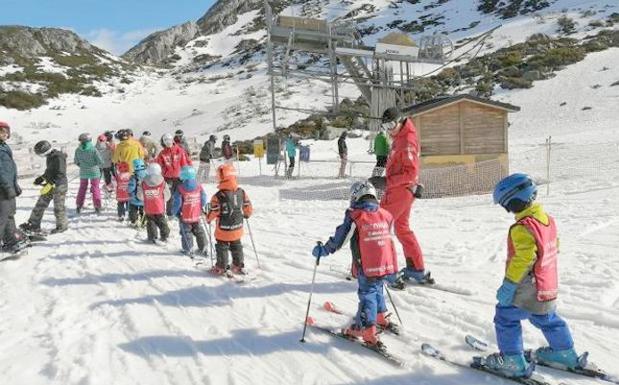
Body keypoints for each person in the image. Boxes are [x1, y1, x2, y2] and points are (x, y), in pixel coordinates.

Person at [481, 173, 585, 378]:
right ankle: (564, 353)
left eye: (507, 206)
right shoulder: (547, 220)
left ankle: (512, 360)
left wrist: (509, 284)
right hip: (548, 283)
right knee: (547, 318)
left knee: (505, 317)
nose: (508, 210)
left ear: (515, 201)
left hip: (526, 286)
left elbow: (524, 259)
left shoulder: (523, 227)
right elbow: (555, 246)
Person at [312, 181, 399, 348]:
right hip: (385, 262)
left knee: (368, 293)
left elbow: (340, 238)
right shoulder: (385, 214)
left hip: (368, 264)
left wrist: (324, 250)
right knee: (377, 287)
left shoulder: (356, 215)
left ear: (355, 197)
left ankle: (365, 329)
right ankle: (380, 316)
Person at [378, 107, 428, 287]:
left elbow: (410, 173)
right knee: (402, 228)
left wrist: (386, 182)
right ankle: (416, 267)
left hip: (399, 190)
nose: (389, 129)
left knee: (379, 227)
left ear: (400, 120)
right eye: (386, 126)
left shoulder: (406, 141)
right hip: (404, 190)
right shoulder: (400, 136)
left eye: (392, 124)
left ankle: (386, 271)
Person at [206, 164, 252, 275]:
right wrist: (247, 213)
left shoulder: (218, 195)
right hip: (237, 226)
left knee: (222, 246)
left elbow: (214, 210)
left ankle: (221, 267)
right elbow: (247, 205)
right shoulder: (241, 192)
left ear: (221, 177)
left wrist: (208, 218)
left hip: (223, 228)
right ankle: (238, 264)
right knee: (236, 245)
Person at [19, 140, 68, 234]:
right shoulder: (50, 156)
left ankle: (62, 226)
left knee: (58, 207)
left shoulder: (58, 157)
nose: (39, 155)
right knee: (40, 204)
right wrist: (42, 178)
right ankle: (33, 224)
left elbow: (61, 172)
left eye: (39, 153)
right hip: (50, 185)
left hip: (59, 185)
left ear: (44, 150)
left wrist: (53, 183)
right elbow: (49, 171)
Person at [0, 121, 28, 255]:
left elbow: (9, 170)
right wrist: (7, 187)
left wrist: (14, 186)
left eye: (6, 131)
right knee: (2, 218)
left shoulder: (4, 147)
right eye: (1, 131)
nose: (4, 134)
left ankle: (10, 241)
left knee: (10, 215)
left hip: (8, 187)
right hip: (2, 189)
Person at [172, 166, 207, 256]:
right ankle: (203, 246)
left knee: (186, 232)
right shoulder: (199, 186)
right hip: (196, 214)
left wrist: (175, 212)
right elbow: (203, 198)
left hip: (185, 215)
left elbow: (177, 202)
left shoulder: (180, 188)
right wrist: (200, 206)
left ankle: (188, 248)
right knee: (198, 230)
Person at [156, 133, 192, 217]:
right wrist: (161, 172)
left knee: (181, 194)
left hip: (180, 177)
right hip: (168, 178)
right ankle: (170, 213)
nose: (168, 142)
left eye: (169, 140)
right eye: (166, 141)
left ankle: (181, 211)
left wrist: (188, 174)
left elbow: (185, 163)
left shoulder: (179, 150)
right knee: (170, 196)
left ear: (172, 140)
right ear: (163, 142)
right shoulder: (162, 153)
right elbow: (159, 165)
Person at [138, 163, 171, 243]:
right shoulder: (162, 182)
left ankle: (152, 237)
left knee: (150, 221)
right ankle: (165, 235)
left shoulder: (143, 182)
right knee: (162, 220)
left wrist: (143, 199)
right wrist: (164, 200)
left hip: (148, 206)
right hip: (160, 206)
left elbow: (140, 195)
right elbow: (167, 194)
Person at [74, 133, 103, 214]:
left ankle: (79, 205)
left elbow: (76, 161)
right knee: (95, 188)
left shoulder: (78, 150)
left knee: (82, 188)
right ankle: (97, 206)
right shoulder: (93, 149)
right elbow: (100, 161)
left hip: (83, 172)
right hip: (94, 172)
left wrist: (82, 166)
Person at [127, 158, 146, 226]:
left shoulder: (133, 177)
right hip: (145, 198)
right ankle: (144, 221)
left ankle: (133, 221)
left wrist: (128, 191)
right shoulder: (147, 175)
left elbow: (131, 188)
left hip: (134, 198)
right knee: (143, 210)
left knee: (133, 210)